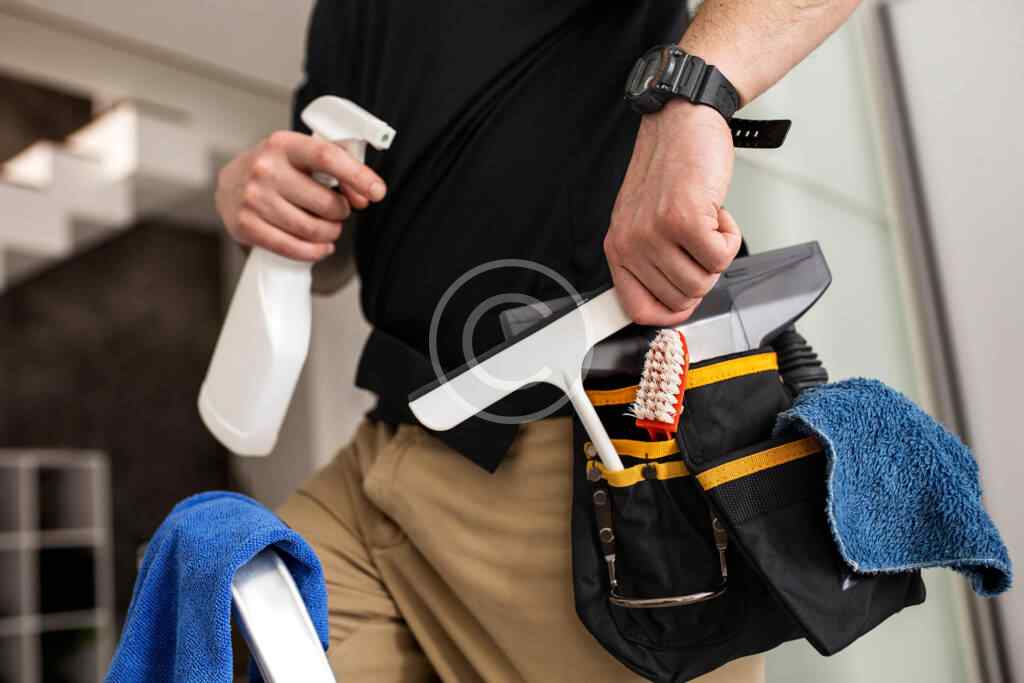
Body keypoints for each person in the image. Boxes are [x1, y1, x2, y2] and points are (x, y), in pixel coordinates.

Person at [215, 0, 861, 679]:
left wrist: (695, 91)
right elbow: (331, 253)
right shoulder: (345, 11)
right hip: (388, 444)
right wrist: (265, 207)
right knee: (225, 608)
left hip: (597, 464)